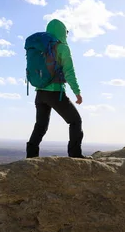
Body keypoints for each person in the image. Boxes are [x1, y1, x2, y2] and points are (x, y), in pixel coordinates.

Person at [26, 19, 85, 158]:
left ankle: (31, 156)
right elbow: (69, 72)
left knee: (40, 126)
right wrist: (77, 92)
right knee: (75, 121)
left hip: (40, 94)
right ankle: (75, 154)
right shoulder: (62, 47)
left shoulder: (41, 46)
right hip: (55, 93)